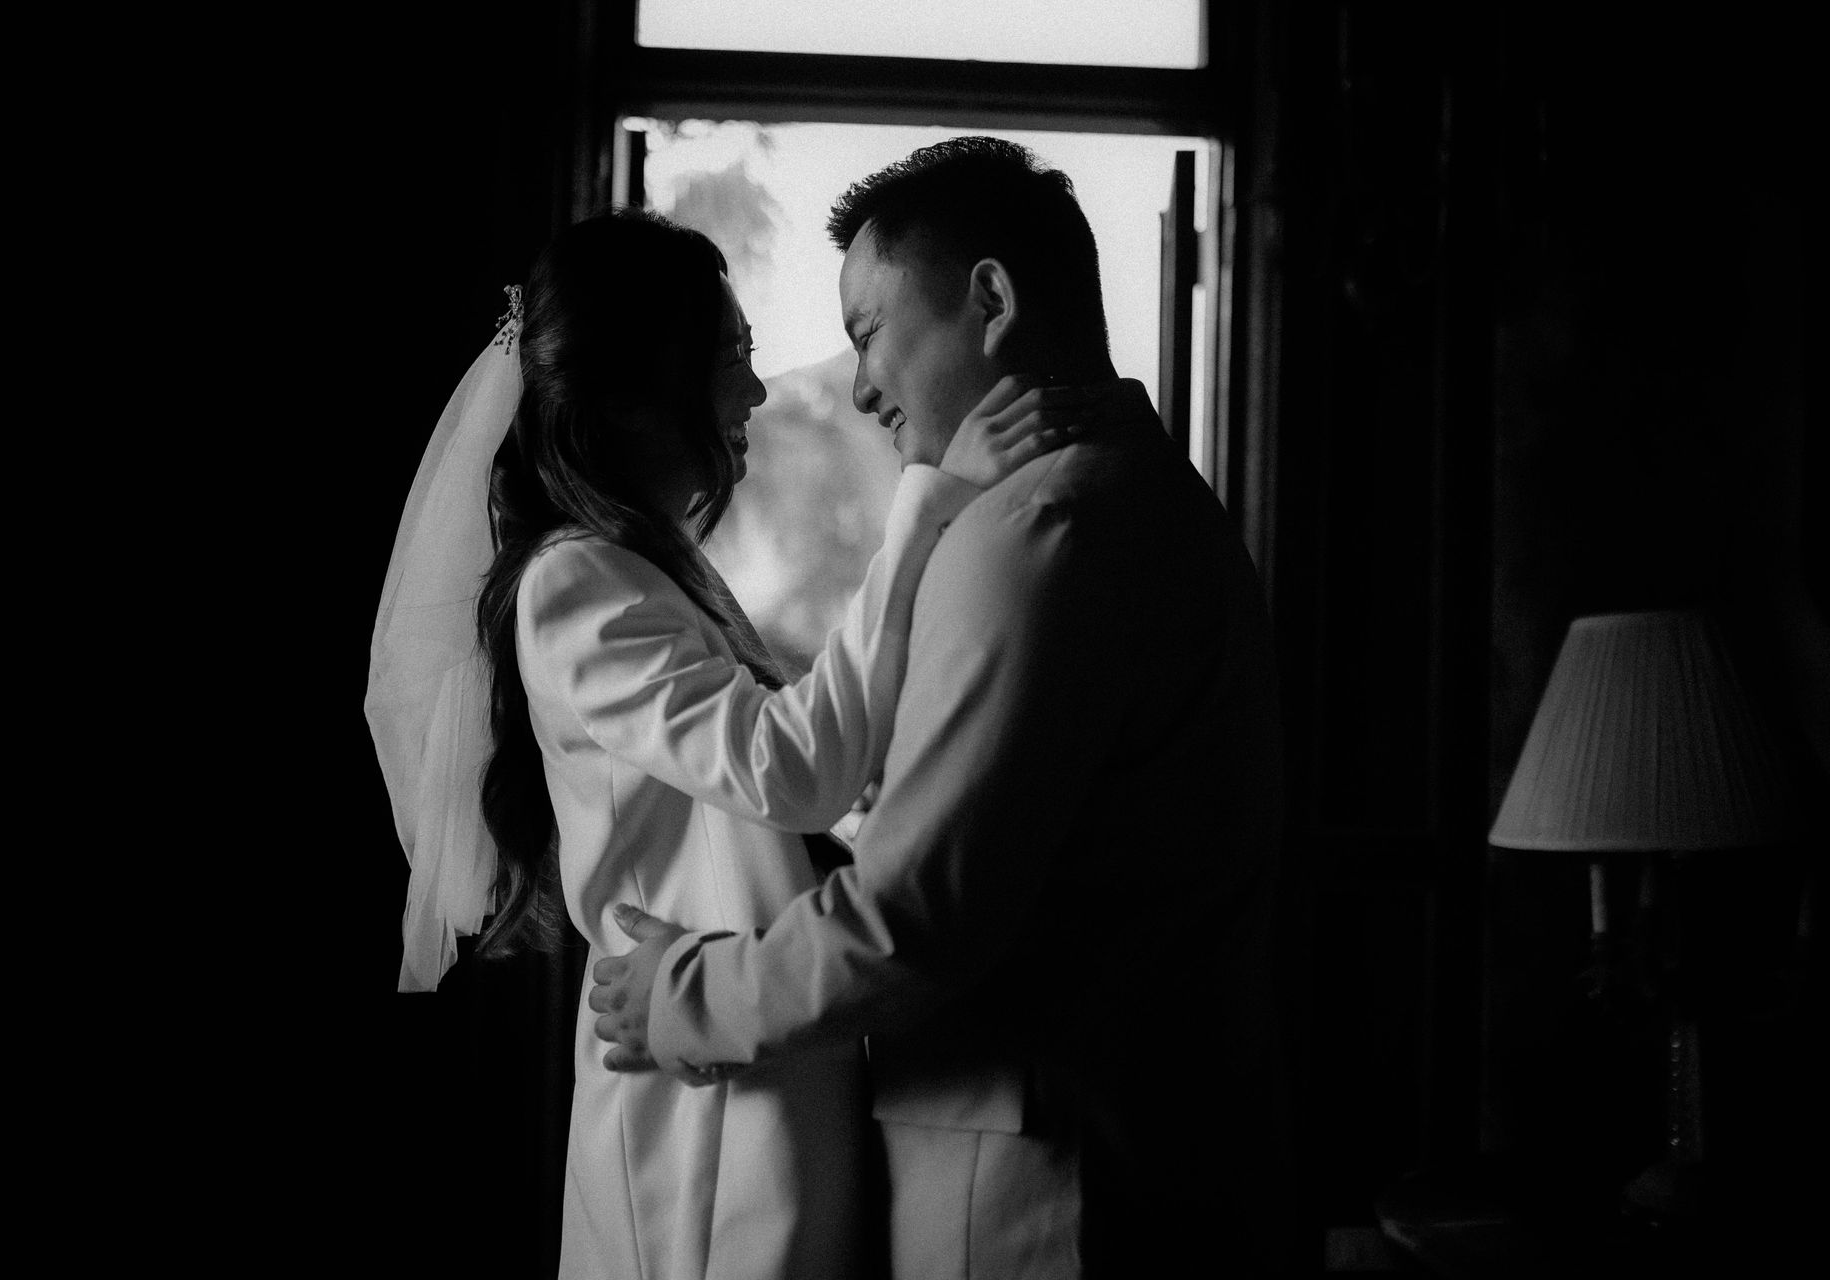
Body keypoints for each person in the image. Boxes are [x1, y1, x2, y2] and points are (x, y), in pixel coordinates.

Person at [590, 139, 1291, 1278]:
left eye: (870, 330)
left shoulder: (1039, 530)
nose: (860, 388)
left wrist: (683, 996)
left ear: (992, 300)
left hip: (1042, 1202)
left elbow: (915, 917)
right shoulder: (1161, 498)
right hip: (1154, 1163)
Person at [364, 208, 1097, 1279]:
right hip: (702, 1112)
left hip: (747, 1053)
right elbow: (788, 769)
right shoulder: (572, 582)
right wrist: (927, 504)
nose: (754, 390)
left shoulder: (643, 569)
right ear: (638, 385)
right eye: (729, 356)